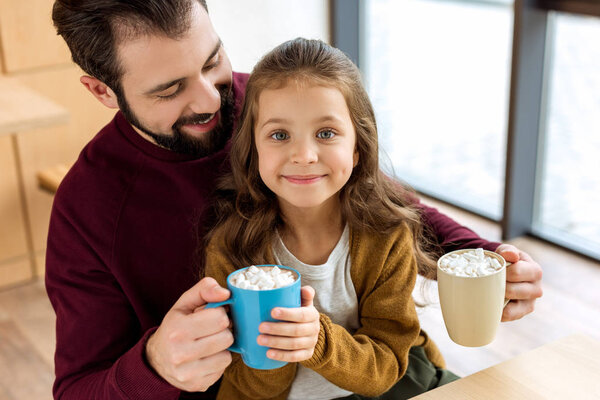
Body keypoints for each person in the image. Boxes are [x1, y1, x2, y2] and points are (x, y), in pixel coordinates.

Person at [45, 1, 543, 399]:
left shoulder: (269, 103)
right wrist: (154, 367)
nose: (212, 100)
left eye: (213, 60)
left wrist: (481, 256)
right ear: (101, 90)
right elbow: (78, 388)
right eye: (170, 89)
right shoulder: (87, 209)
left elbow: (380, 199)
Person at [205, 37, 461, 400]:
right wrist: (279, 346)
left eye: (326, 133)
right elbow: (249, 386)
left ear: (357, 148)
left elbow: (385, 368)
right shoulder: (233, 246)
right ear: (254, 149)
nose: (305, 154)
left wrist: (317, 341)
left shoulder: (386, 236)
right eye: (279, 135)